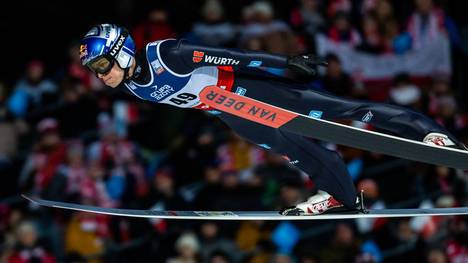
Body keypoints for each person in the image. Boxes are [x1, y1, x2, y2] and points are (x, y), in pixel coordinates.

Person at [79, 24, 465, 216]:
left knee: (344, 113)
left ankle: (430, 134)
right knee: (292, 150)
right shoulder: (133, 88)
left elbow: (229, 57)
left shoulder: (168, 54)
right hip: (232, 115)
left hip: (255, 90)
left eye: (101, 64)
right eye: (95, 69)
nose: (101, 74)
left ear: (121, 51)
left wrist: (287, 65)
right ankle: (341, 196)